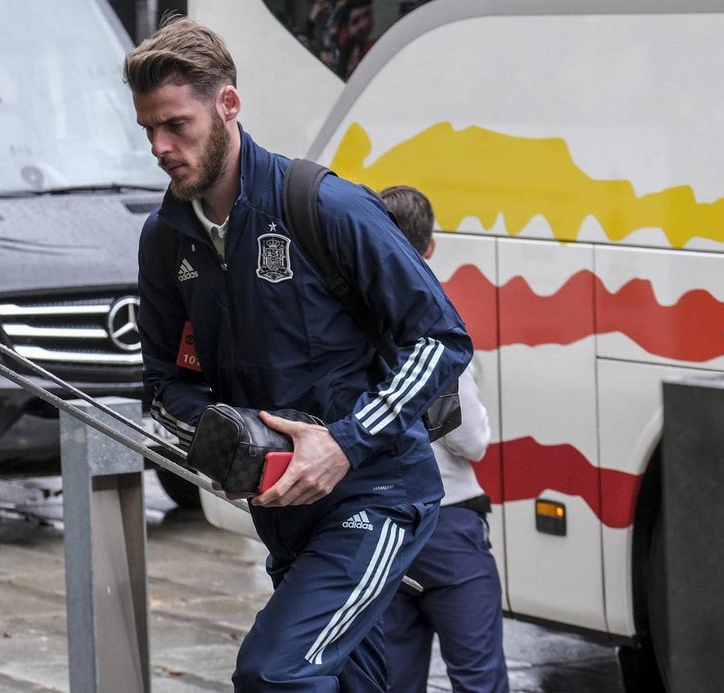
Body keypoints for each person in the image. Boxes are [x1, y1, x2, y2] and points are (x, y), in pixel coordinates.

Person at [124, 16, 472, 691]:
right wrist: (223, 438)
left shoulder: (326, 205)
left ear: (228, 104)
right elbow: (164, 382)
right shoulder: (165, 239)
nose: (160, 147)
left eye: (176, 125)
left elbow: (443, 338)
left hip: (374, 497)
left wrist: (342, 442)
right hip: (283, 515)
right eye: (148, 131)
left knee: (275, 672)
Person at [377, 185, 509, 693]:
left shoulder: (348, 319)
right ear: (429, 246)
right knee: (478, 680)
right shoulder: (432, 319)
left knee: (392, 681)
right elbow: (471, 441)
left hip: (383, 527)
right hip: (448, 525)